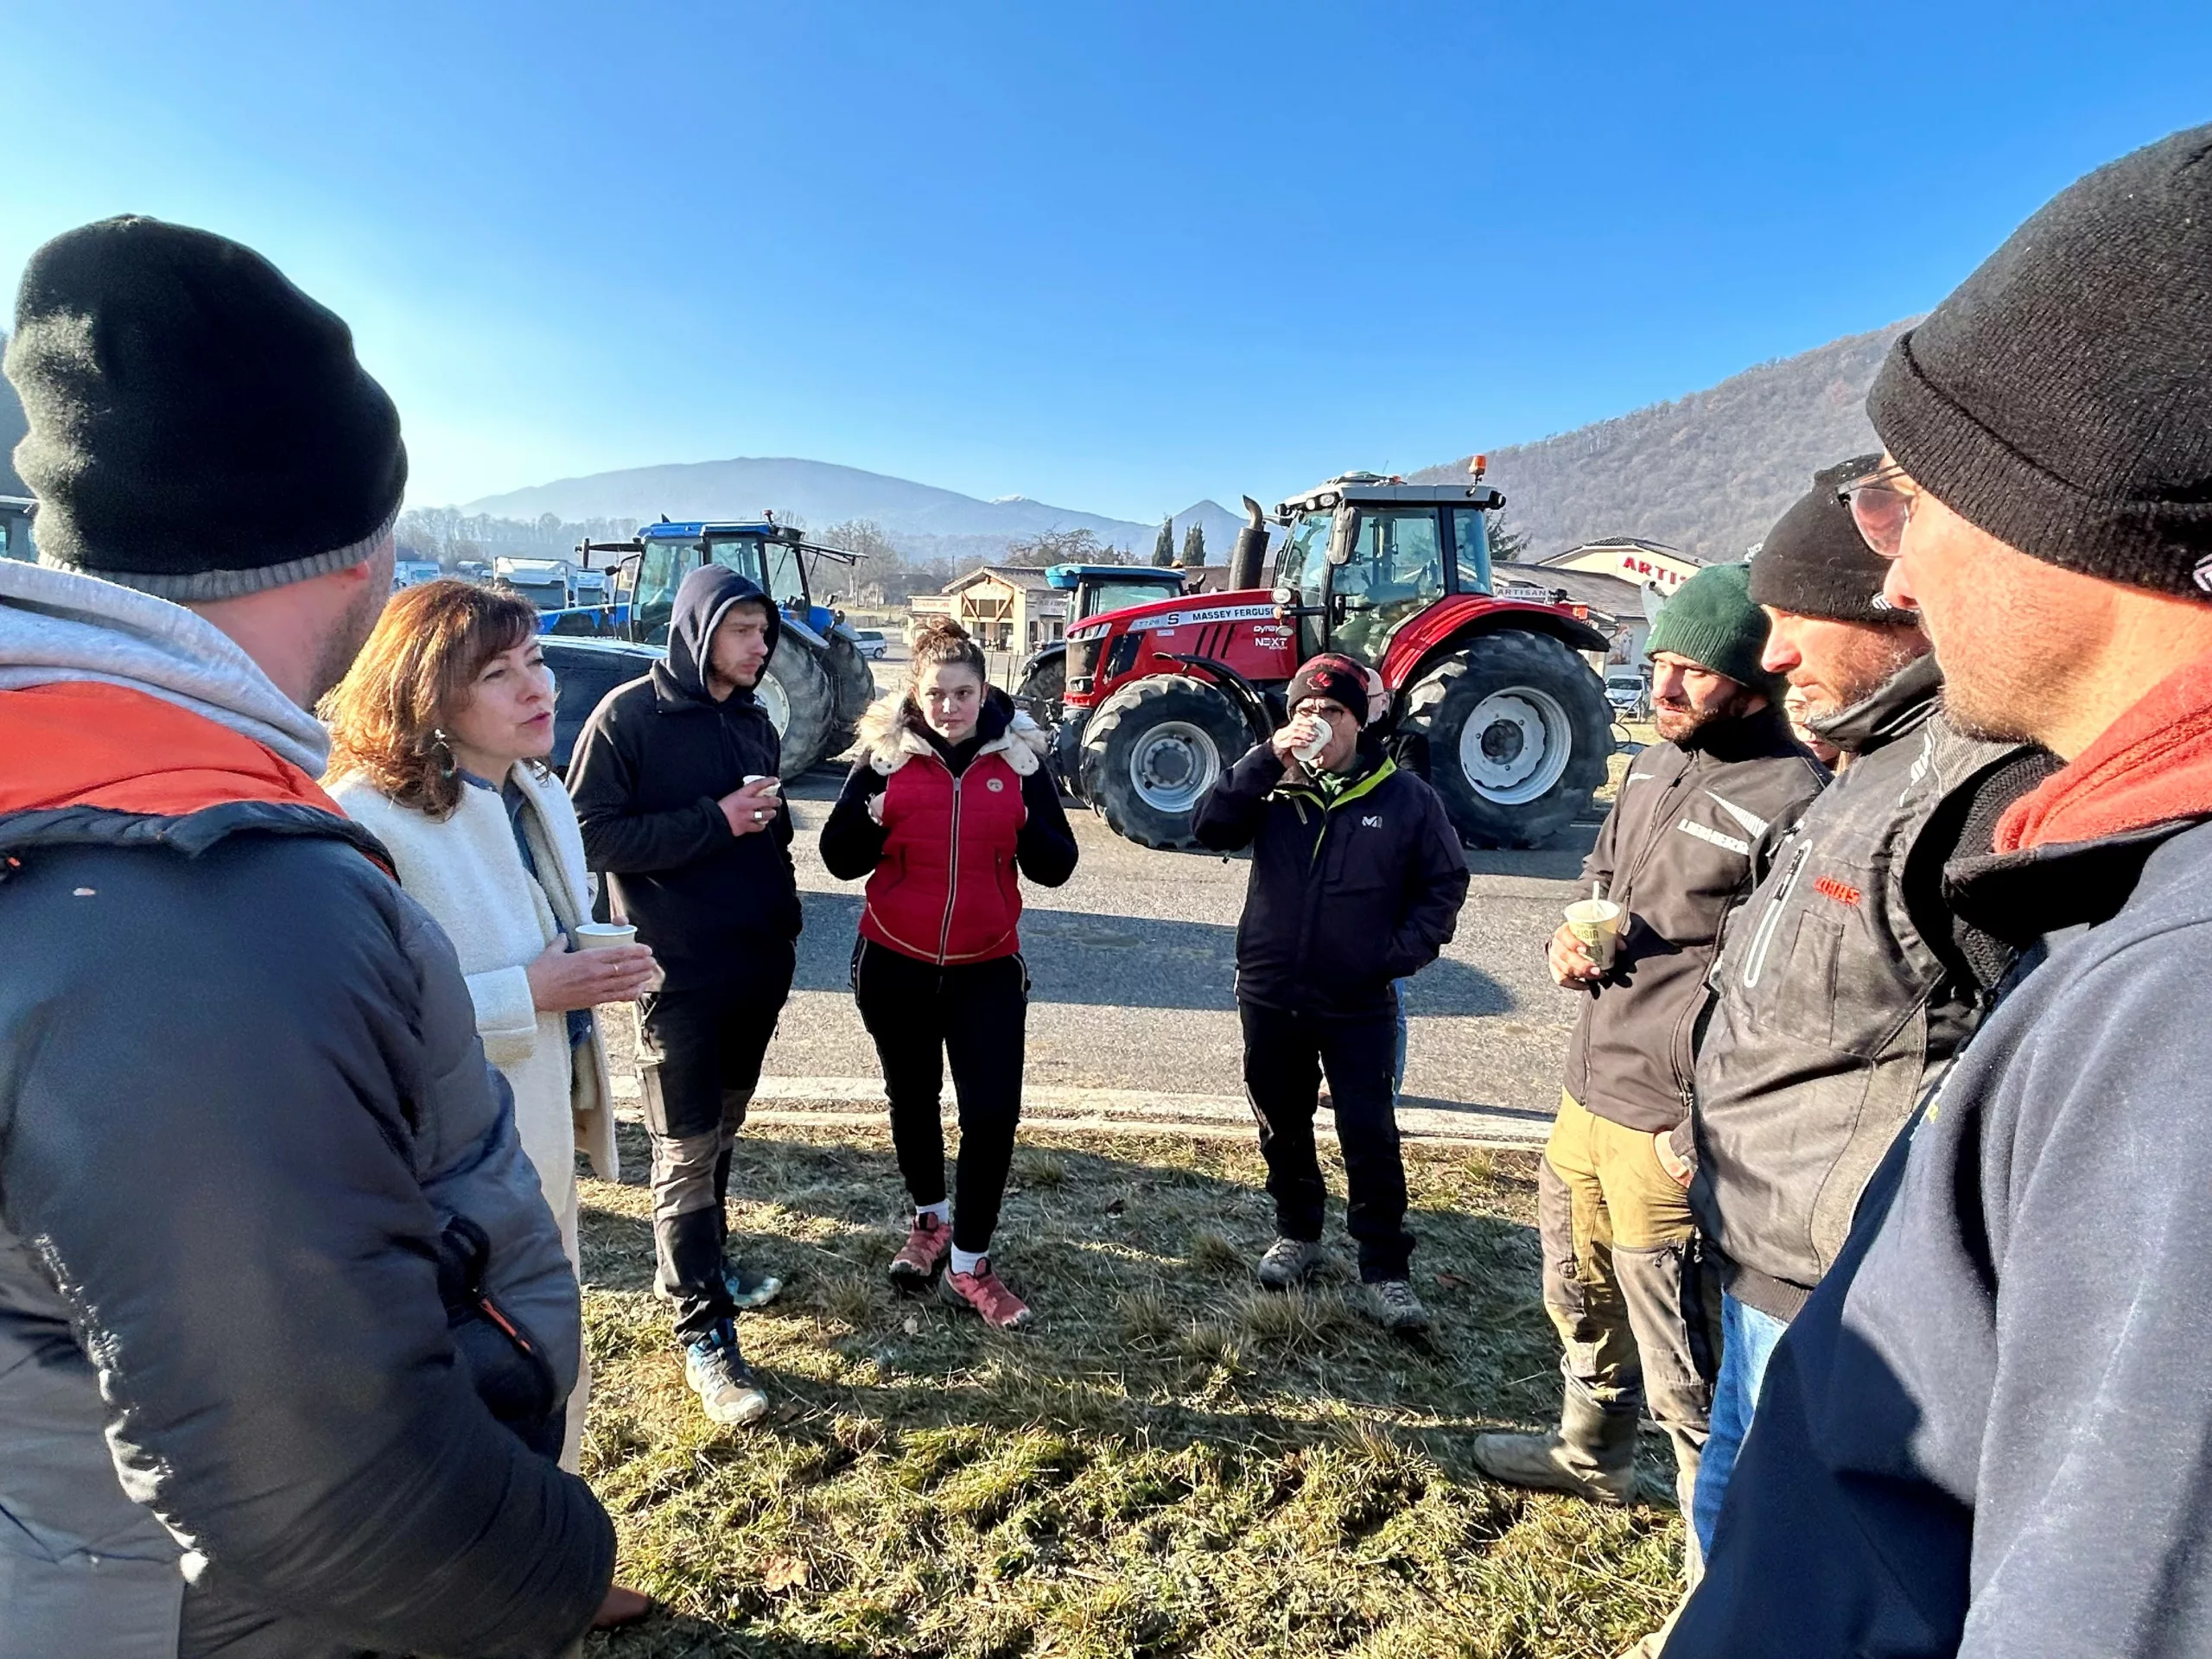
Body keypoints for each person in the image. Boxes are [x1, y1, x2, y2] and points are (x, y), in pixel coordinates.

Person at [0, 217, 612, 1656]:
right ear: (357, 549)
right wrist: (558, 1561)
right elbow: (329, 1493)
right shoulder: (208, 889)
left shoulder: (78, 789)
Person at [1670, 123, 2212, 1656]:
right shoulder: (2129, 903)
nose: (1892, 579)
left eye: (1910, 501)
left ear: (2081, 506)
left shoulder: (2184, 1009)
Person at [1676, 463, 2050, 1566]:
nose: (1771, 652)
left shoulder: (1981, 793)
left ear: (1892, 607)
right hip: (1758, 1247)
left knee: (1786, 1564)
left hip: (1838, 1290)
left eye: (1794, 622)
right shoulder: (1864, 768)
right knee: (1726, 1529)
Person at [1470, 562, 1825, 1587]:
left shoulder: (1793, 799)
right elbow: (1599, 881)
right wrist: (1567, 942)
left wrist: (1700, 1125)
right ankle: (1590, 1457)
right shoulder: (1651, 768)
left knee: (1684, 1357)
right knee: (1575, 1290)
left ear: (1754, 683)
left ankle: (1720, 1575)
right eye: (1658, 663)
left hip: (1673, 1120)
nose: (1661, 690)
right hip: (1590, 1088)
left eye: (1692, 674)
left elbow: (1780, 997)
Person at [324, 580, 659, 1630]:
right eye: (499, 673)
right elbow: (357, 1021)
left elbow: (553, 939)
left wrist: (590, 978)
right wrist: (533, 994)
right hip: (445, 1162)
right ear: (427, 691)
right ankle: (475, 1601)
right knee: (469, 1371)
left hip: (533, 1132)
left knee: (546, 1347)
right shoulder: (365, 822)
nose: (538, 688)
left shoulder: (535, 792)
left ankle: (551, 1566)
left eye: (538, 664)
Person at [568, 563, 796, 1427]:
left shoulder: (753, 717)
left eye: (764, 633)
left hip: (754, 964)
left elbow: (756, 829)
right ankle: (704, 1331)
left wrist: (778, 891)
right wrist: (717, 820)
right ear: (701, 630)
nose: (760, 646)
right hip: (678, 972)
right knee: (686, 1149)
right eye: (745, 631)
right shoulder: (630, 715)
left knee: (721, 1132)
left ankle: (706, 1265)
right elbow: (590, 834)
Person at [1193, 652, 1471, 1332]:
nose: (1316, 722)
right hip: (1268, 989)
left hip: (1357, 1000)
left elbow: (1444, 886)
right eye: (1305, 711)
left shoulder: (1404, 797)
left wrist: (1392, 957)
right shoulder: (1272, 784)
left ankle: (1385, 1268)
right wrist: (1263, 759)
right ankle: (1299, 1233)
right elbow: (1208, 827)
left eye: (1333, 712)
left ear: (1360, 721)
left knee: (1368, 1132)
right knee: (1280, 1123)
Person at [818, 618, 1077, 1328]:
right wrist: (871, 820)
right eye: (937, 693)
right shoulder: (886, 757)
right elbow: (839, 858)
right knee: (912, 1098)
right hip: (893, 961)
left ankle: (971, 1263)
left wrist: (1027, 820)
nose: (950, 707)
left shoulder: (1019, 759)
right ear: (916, 692)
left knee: (991, 1114)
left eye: (963, 693)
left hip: (986, 967)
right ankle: (929, 1223)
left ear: (983, 690)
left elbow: (1057, 868)